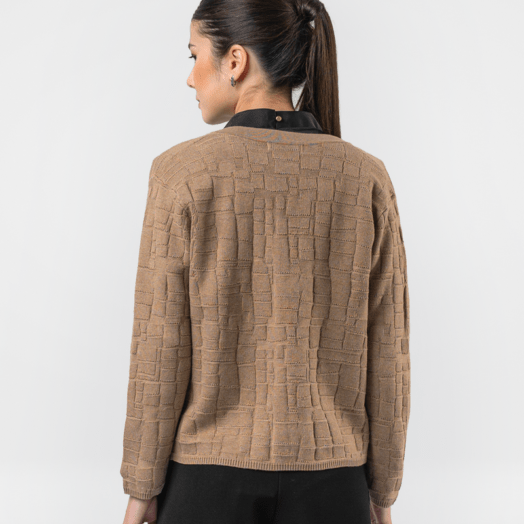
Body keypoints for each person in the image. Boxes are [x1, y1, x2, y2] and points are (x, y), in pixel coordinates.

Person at [121, 1, 410, 523]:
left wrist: (141, 489)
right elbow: (388, 350)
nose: (190, 77)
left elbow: (160, 347)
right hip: (335, 482)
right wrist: (382, 493)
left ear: (235, 61)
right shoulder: (365, 178)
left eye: (194, 55)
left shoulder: (180, 174)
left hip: (205, 483)